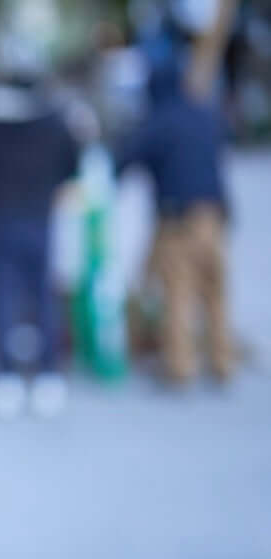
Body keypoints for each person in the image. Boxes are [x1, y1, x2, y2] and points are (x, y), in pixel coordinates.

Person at [0, 68, 80, 418]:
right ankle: (49, 376)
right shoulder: (56, 121)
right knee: (43, 295)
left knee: (2, 297)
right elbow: (71, 167)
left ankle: (5, 377)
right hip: (41, 218)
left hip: (0, 222)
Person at [117, 61, 233, 384]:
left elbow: (125, 161)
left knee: (178, 293)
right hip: (214, 217)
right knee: (215, 293)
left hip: (178, 221)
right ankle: (222, 362)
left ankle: (180, 369)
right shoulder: (205, 114)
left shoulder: (158, 122)